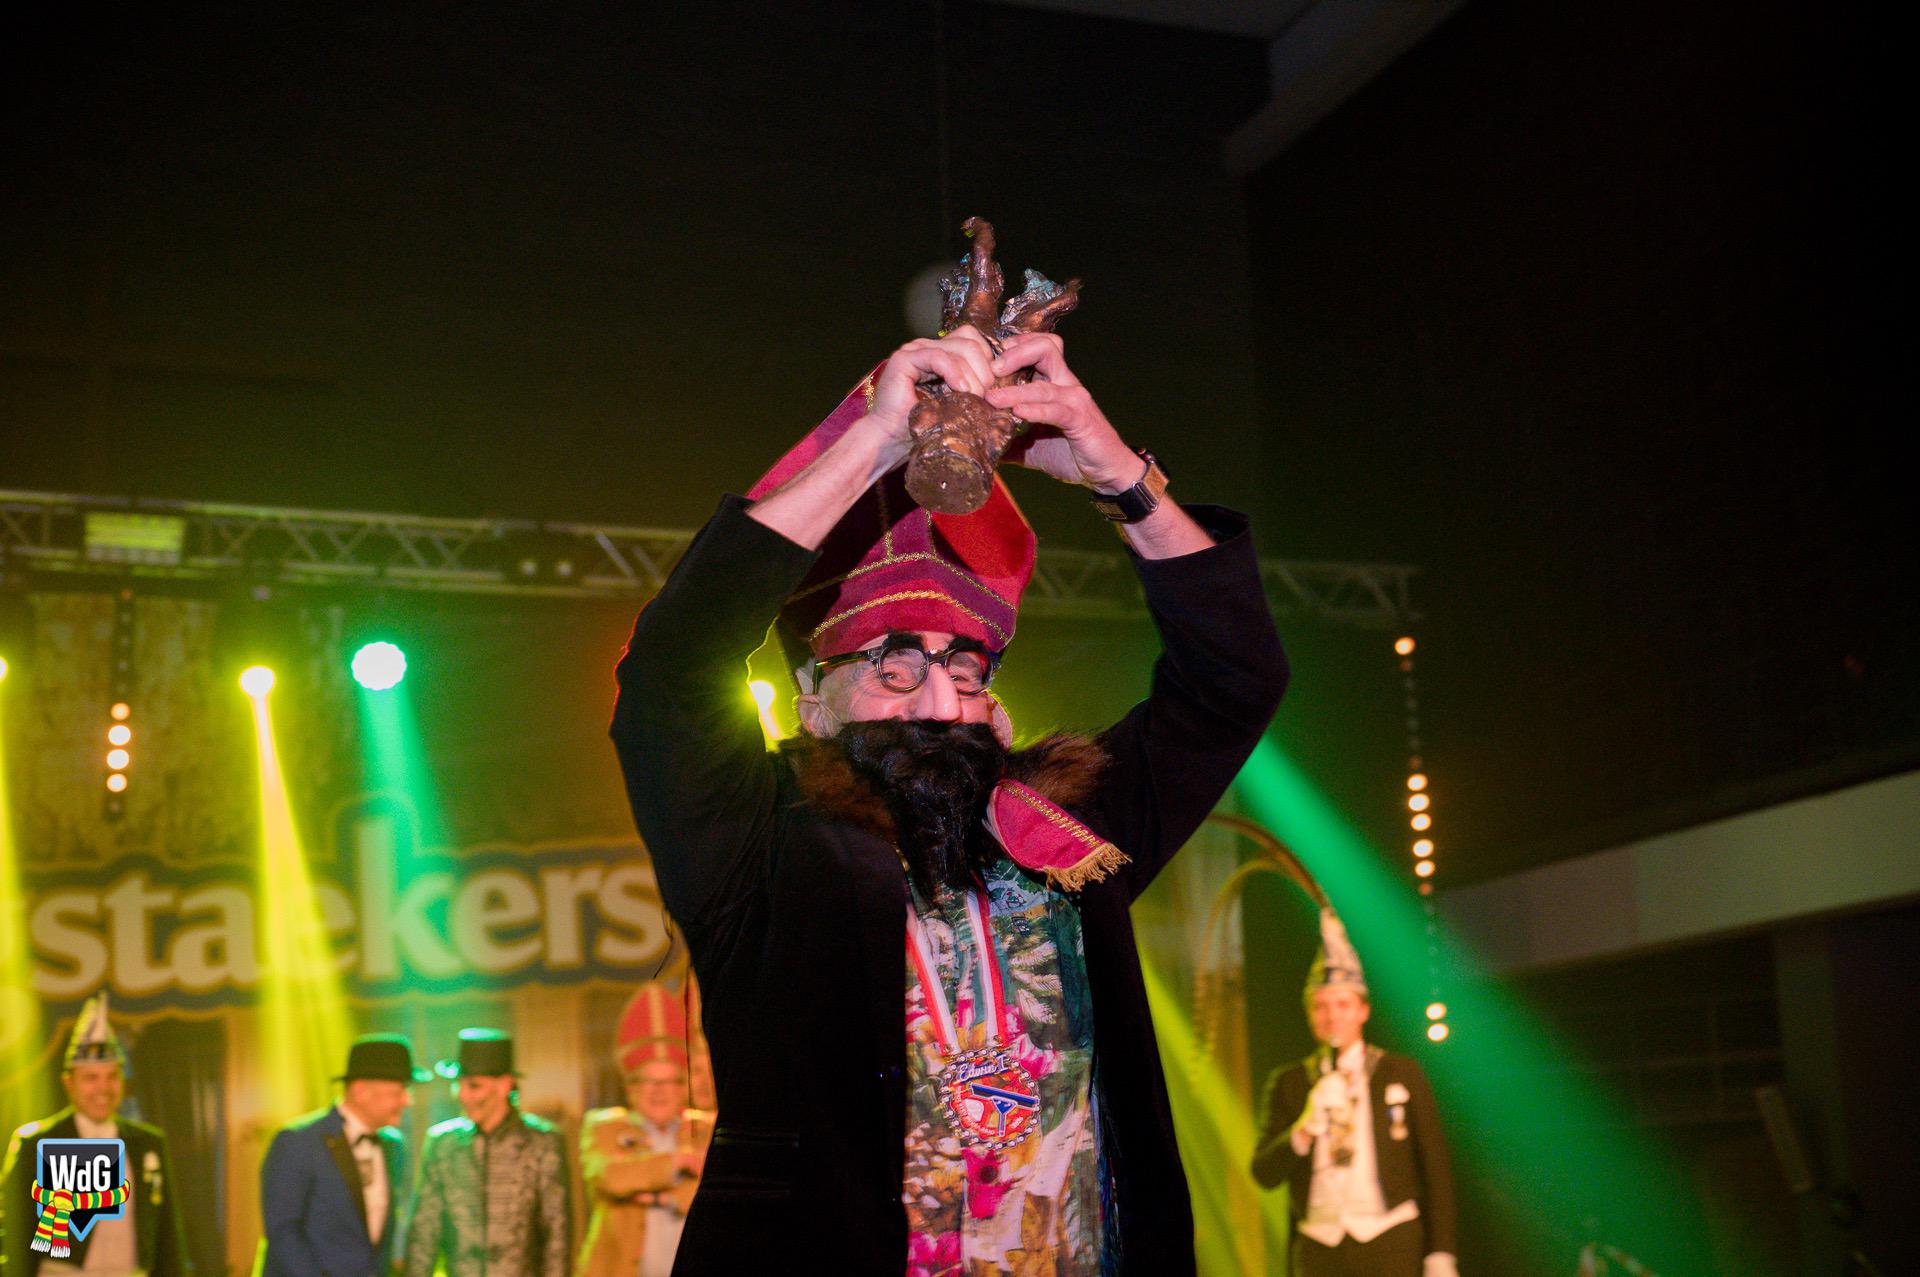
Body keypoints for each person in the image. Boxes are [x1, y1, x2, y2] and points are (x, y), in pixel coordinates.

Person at [609, 323, 1288, 1274]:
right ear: (811, 699)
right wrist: (876, 443)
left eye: (964, 670)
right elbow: (670, 671)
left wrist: (1120, 476)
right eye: (893, 667)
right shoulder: (754, 839)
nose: (937, 703)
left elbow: (1233, 681)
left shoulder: (1062, 832)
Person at [1251, 910, 1459, 1277]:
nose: (1332, 1016)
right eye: (1321, 1006)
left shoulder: (1400, 1072)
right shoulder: (1290, 1082)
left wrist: (1441, 1253)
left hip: (1390, 1237)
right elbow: (1264, 1174)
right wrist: (1304, 1128)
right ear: (1309, 1013)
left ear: (1363, 1010)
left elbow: (1435, 1167)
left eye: (1343, 1004)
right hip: (1319, 1245)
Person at [1, 993, 187, 1277]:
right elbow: (14, 1236)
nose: (104, 1088)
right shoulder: (36, 1144)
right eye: (91, 1078)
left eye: (112, 1076)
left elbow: (168, 1236)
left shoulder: (148, 1143)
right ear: (69, 1083)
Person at [403, 1029, 570, 1277]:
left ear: (504, 1085)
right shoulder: (442, 1144)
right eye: (458, 1085)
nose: (463, 1095)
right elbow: (424, 1232)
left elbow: (557, 1234)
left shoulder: (542, 1142)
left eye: (474, 1086)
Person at [258, 1033, 424, 1277]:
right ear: (361, 1091)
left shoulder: (394, 1145)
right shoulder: (297, 1141)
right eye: (398, 1092)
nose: (407, 1101)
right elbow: (283, 1232)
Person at [576, 982, 713, 1277]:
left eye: (668, 1081)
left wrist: (661, 1198)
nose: (658, 1091)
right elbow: (613, 1177)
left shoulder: (705, 1129)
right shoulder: (604, 1126)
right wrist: (679, 1162)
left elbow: (716, 1196)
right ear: (631, 1089)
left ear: (682, 1088)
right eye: (648, 1081)